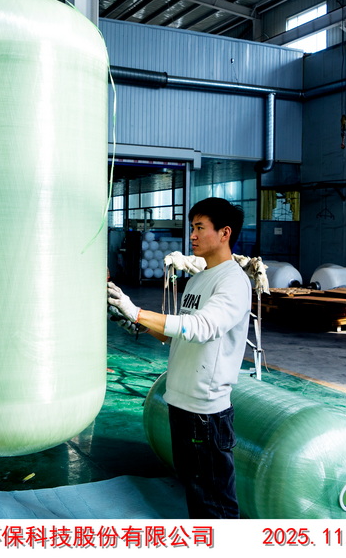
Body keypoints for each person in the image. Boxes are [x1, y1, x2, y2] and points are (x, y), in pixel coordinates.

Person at [107, 197, 251, 518]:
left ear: (224, 233)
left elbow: (202, 328)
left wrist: (138, 311)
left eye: (200, 228)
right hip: (181, 403)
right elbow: (177, 332)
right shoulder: (198, 279)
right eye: (192, 228)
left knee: (214, 501)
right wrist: (131, 319)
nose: (192, 236)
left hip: (205, 412)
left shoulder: (232, 281)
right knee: (195, 490)